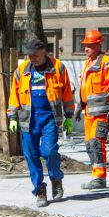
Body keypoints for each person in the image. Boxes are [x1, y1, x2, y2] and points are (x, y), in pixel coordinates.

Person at [8, 39, 75, 207]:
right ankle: (40, 190)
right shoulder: (22, 69)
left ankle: (56, 179)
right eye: (29, 55)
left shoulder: (57, 67)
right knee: (31, 155)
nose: (32, 58)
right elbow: (14, 94)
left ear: (44, 51)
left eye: (35, 55)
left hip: (49, 118)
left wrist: (68, 116)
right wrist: (12, 116)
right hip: (28, 119)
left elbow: (67, 92)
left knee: (50, 151)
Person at [77, 29, 109, 190]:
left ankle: (99, 177)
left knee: (97, 143)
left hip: (102, 113)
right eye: (85, 45)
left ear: (97, 45)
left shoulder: (106, 62)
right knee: (90, 145)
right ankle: (96, 174)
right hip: (89, 113)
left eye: (89, 46)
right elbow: (84, 88)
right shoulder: (88, 64)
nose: (85, 49)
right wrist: (79, 106)